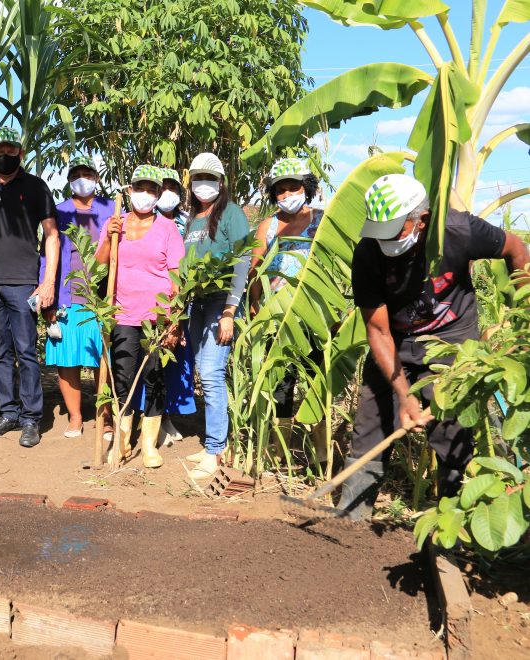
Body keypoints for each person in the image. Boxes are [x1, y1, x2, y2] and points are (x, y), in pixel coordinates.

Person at [339, 174, 528, 521]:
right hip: (394, 345)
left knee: (452, 438)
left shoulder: (460, 231)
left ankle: (453, 523)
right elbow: (378, 331)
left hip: (451, 345)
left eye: (393, 230)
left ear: (421, 220)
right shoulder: (369, 252)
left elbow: (515, 248)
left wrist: (522, 312)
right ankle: (350, 520)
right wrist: (405, 395)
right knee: (369, 430)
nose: (384, 241)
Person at [0, 126, 60, 448]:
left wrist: (47, 281)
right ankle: (8, 412)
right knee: (0, 352)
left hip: (23, 283)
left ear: (21, 153)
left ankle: (31, 419)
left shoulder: (36, 187)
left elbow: (52, 235)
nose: (5, 155)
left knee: (26, 351)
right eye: (0, 149)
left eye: (12, 150)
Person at [94, 165, 185, 468]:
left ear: (159, 194)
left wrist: (173, 320)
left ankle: (149, 446)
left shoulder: (168, 228)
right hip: (122, 314)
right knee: (123, 379)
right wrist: (110, 237)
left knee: (155, 377)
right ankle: (121, 444)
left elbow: (177, 277)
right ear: (129, 190)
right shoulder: (115, 221)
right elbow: (101, 264)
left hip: (156, 316)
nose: (145, 194)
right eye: (140, 188)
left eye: (151, 189)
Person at [181, 153, 252, 479]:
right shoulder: (194, 219)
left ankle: (216, 449)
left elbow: (242, 261)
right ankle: (213, 443)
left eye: (209, 179)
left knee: (210, 373)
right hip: (196, 303)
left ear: (221, 182)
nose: (202, 185)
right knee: (203, 372)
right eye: (198, 179)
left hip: (219, 302)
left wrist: (229, 311)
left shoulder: (232, 214)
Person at [250, 158, 323, 450]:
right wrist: (256, 304)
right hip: (278, 316)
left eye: (293, 188)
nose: (287, 195)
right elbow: (254, 269)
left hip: (315, 314)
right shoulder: (268, 226)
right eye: (280, 190)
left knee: (318, 380)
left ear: (306, 188)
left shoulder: (321, 222)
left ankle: (321, 448)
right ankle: (281, 450)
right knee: (281, 384)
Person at [41, 155, 112, 438]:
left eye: (88, 173)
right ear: (70, 180)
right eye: (77, 174)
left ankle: (105, 416)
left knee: (102, 361)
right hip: (68, 296)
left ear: (96, 177)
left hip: (102, 299)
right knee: (67, 359)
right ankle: (75, 417)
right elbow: (47, 255)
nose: (83, 178)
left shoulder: (110, 209)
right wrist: (47, 294)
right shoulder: (59, 211)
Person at [145, 167, 196, 444]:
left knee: (173, 364)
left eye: (173, 188)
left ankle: (166, 416)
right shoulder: (143, 222)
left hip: (178, 303)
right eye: (162, 187)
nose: (167, 193)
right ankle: (152, 419)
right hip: (148, 305)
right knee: (151, 364)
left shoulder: (189, 223)